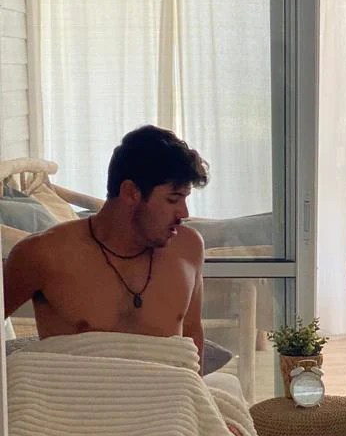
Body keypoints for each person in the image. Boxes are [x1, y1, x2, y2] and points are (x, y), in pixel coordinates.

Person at [3, 125, 210, 369]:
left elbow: (192, 336)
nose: (184, 213)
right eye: (173, 199)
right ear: (130, 192)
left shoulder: (188, 249)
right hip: (75, 392)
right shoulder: (44, 254)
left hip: (169, 392)